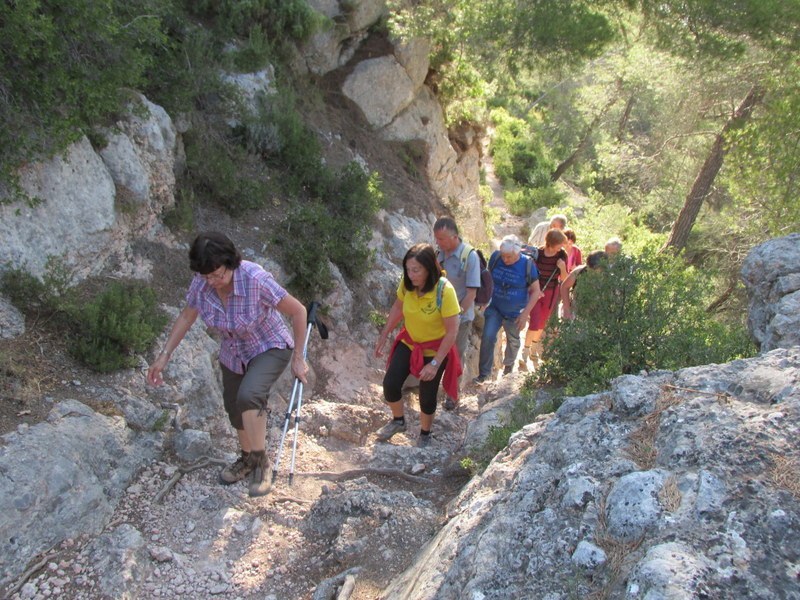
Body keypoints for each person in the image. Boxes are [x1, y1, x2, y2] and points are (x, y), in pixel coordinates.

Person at [146, 232, 309, 497]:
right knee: (234, 409)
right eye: (206, 276)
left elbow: (298, 310)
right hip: (234, 351)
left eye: (217, 275)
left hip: (269, 344)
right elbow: (187, 316)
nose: (212, 281)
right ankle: (246, 458)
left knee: (250, 395)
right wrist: (164, 355)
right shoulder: (202, 283)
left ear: (230, 262)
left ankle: (260, 464)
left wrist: (299, 358)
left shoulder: (254, 279)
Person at [374, 243, 462, 448]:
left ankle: (425, 433)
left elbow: (452, 331)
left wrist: (435, 364)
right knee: (390, 383)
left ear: (429, 268)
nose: (411, 274)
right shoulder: (407, 284)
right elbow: (398, 307)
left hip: (436, 349)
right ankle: (398, 421)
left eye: (416, 270)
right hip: (410, 342)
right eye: (408, 269)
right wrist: (384, 334)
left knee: (427, 394)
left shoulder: (444, 291)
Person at [474, 235, 543, 383]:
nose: (505, 260)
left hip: (515, 312)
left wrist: (525, 314)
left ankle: (508, 369)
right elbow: (487, 278)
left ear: (518, 253)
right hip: (495, 307)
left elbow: (536, 291)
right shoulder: (496, 258)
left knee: (513, 341)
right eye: (503, 256)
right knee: (488, 337)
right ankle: (484, 374)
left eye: (509, 257)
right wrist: (484, 299)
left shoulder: (527, 265)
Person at [433, 216, 480, 411]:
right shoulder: (439, 254)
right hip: (438, 315)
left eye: (442, 239)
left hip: (461, 317)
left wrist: (456, 316)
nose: (438, 242)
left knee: (455, 356)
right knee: (437, 352)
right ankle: (433, 390)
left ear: (454, 236)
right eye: (437, 238)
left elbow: (471, 292)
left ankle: (453, 395)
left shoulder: (469, 256)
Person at [521, 229, 569, 370]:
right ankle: (525, 350)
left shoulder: (562, 255)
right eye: (559, 244)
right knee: (534, 322)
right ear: (551, 243)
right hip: (535, 291)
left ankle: (534, 348)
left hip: (551, 293)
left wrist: (562, 268)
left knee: (542, 322)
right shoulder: (538, 254)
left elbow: (565, 279)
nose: (561, 247)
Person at [560, 250, 607, 320]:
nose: (591, 273)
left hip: (597, 316)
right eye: (590, 269)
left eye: (595, 271)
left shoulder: (610, 277)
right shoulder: (579, 271)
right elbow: (564, 287)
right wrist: (567, 309)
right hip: (575, 312)